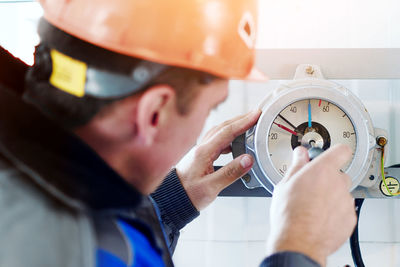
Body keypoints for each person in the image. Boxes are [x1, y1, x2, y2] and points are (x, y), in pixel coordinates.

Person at [0, 0, 356, 267]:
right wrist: (299, 245)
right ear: (154, 112)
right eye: (211, 106)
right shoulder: (62, 247)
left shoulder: (37, 184)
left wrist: (169, 205)